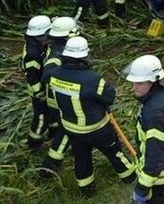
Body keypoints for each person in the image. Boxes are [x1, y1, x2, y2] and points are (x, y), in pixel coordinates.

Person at [46, 37, 135, 197]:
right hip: (98, 129)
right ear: (84, 57)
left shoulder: (54, 74)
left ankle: (87, 191)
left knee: (81, 159)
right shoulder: (92, 79)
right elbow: (109, 96)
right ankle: (130, 178)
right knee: (115, 153)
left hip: (72, 129)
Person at [125, 55, 164, 204]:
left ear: (153, 81)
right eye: (133, 83)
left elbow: (155, 157)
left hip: (161, 176)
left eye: (139, 83)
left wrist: (142, 188)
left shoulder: (155, 114)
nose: (134, 88)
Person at [41, 16, 78, 176]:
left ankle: (77, 151)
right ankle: (49, 167)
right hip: (59, 101)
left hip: (62, 98)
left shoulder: (58, 47)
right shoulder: (57, 56)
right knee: (67, 131)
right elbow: (47, 75)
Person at [22, 15, 52, 149]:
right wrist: (40, 94)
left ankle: (54, 135)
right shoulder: (33, 54)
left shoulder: (35, 44)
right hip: (38, 92)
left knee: (51, 114)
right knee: (41, 117)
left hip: (43, 87)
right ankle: (34, 143)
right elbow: (32, 78)